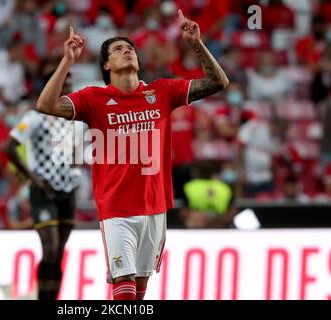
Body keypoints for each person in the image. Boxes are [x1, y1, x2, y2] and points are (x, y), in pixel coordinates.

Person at [36, 9, 229, 300]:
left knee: (139, 291)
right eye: (117, 49)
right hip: (116, 207)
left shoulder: (162, 91)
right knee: (123, 287)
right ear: (106, 64)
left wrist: (196, 44)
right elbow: (46, 105)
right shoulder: (93, 98)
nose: (127, 51)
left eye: (130, 48)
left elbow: (219, 83)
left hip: (155, 205)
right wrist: (67, 61)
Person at [3, 71, 80, 300]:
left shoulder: (73, 118)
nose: (68, 90)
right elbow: (8, 147)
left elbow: (74, 151)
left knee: (57, 254)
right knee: (49, 249)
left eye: (70, 85)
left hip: (68, 192)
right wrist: (34, 178)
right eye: (63, 85)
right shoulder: (34, 117)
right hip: (43, 191)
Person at [181, 161, 236, 229]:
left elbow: (184, 212)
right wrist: (217, 220)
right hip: (219, 228)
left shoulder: (189, 187)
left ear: (196, 172)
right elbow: (232, 212)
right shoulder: (224, 188)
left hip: (196, 228)